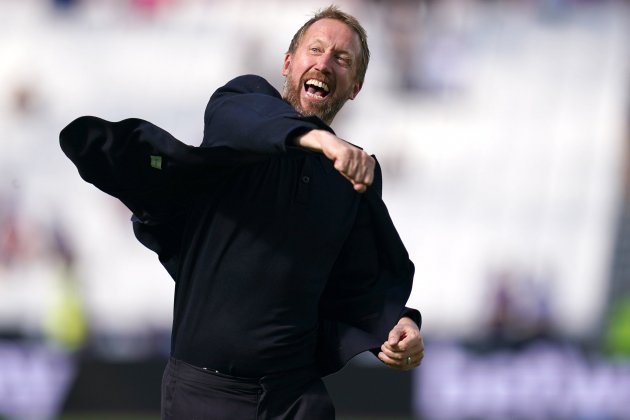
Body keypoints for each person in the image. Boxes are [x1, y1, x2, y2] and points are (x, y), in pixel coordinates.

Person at [60, 5, 424, 419]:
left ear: (355, 86)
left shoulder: (350, 180)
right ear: (288, 64)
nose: (324, 62)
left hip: (294, 397)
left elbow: (362, 286)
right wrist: (325, 142)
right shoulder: (243, 109)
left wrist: (399, 326)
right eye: (316, 49)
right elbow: (241, 118)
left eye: (341, 59)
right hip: (206, 393)